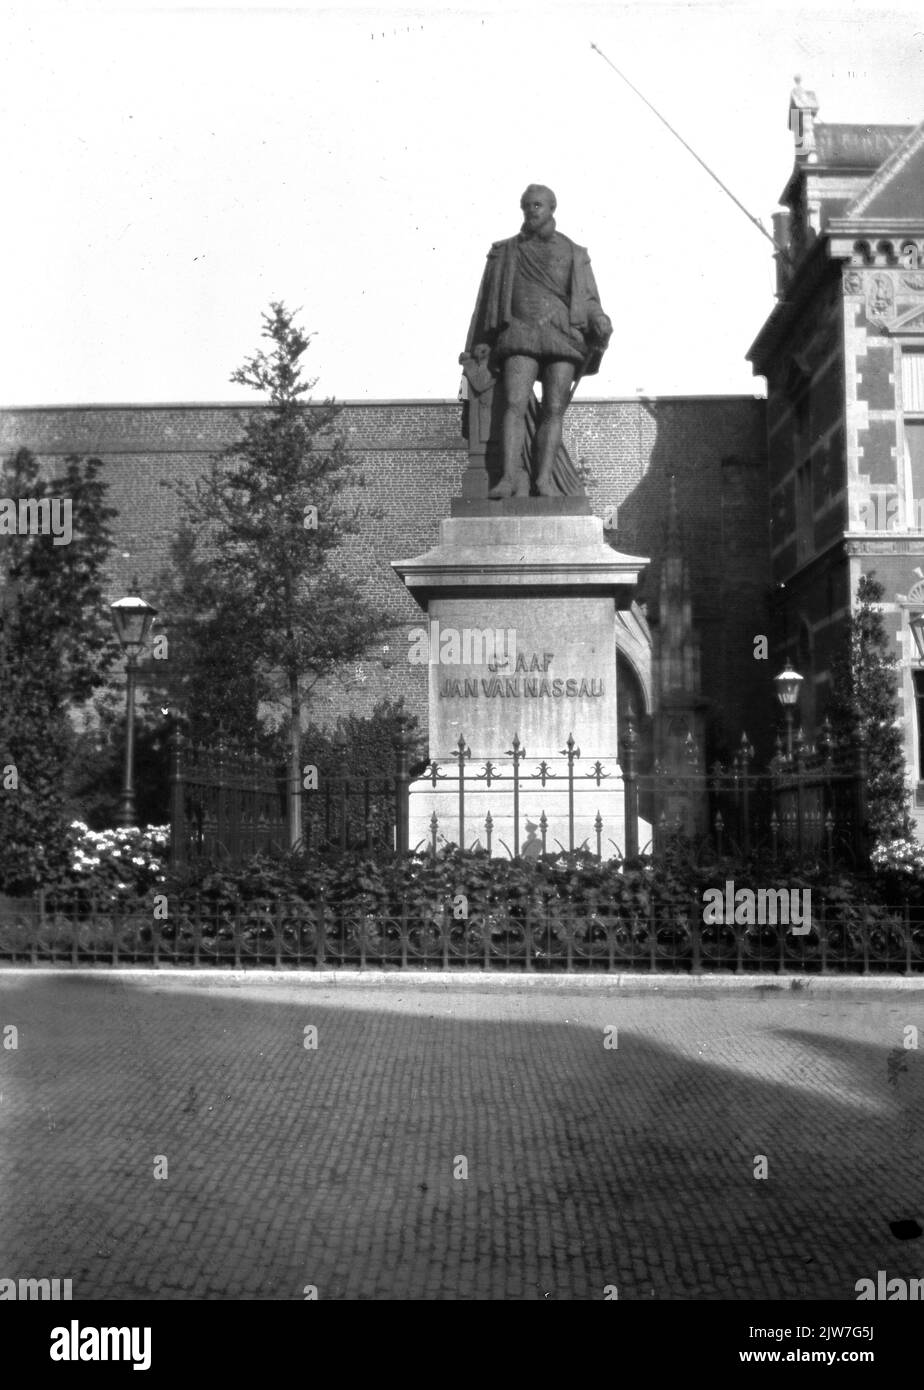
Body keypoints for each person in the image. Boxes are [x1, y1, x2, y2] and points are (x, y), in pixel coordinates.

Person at [464, 184, 612, 497]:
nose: (531, 211)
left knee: (554, 408)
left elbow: (587, 298)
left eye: (537, 206)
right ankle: (507, 478)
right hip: (520, 331)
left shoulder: (574, 253)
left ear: (551, 208)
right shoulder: (507, 251)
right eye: (527, 206)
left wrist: (599, 319)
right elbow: (487, 300)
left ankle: (543, 480)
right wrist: (484, 340)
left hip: (563, 335)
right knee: (515, 403)